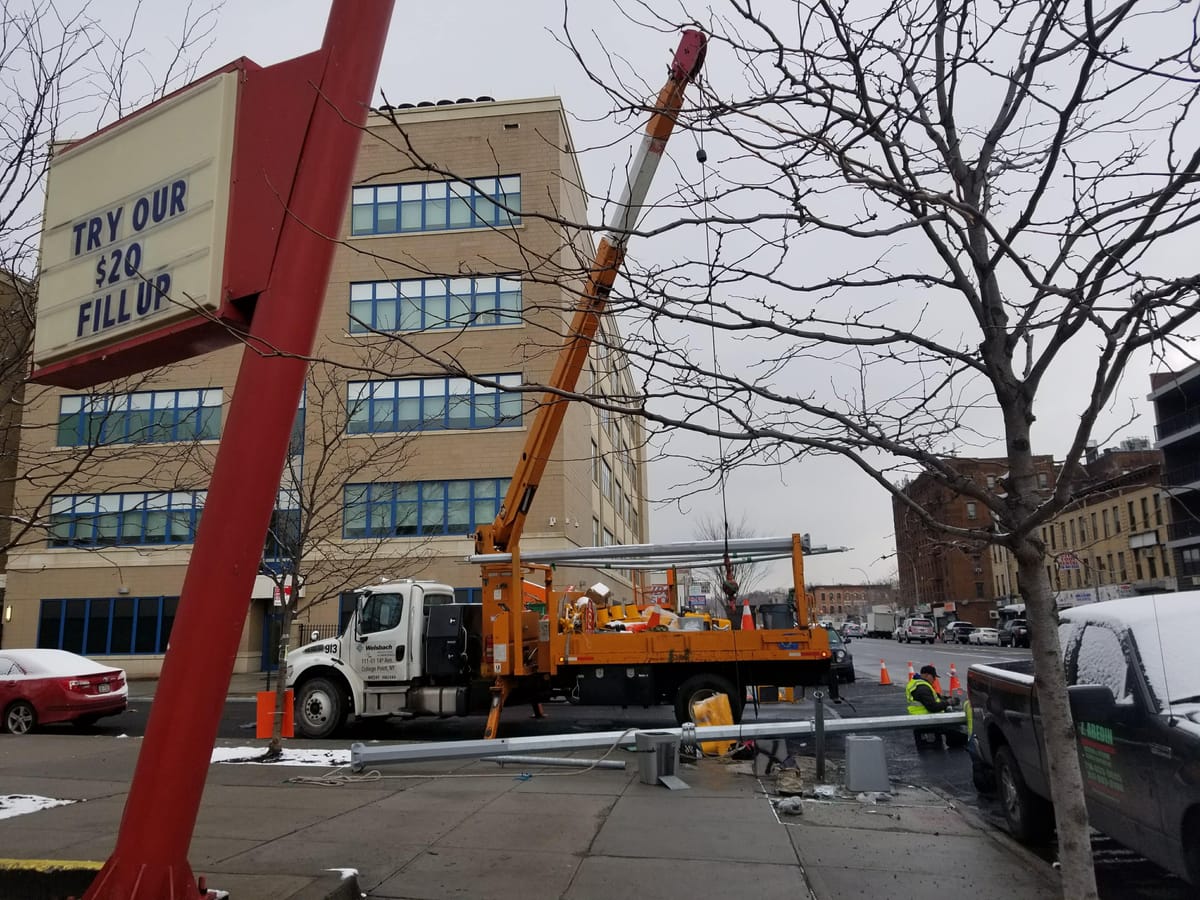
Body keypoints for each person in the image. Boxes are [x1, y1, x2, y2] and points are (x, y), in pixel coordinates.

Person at [906, 664, 967, 750]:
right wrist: (948, 702)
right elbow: (933, 707)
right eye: (934, 677)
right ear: (927, 675)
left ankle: (953, 743)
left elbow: (935, 698)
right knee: (956, 729)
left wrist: (946, 699)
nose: (934, 680)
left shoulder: (918, 683)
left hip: (924, 717)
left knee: (952, 727)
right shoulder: (921, 687)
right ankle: (957, 748)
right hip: (926, 720)